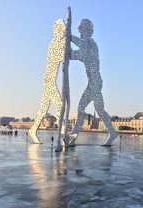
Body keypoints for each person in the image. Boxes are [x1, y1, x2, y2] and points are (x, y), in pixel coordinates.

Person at [69, 19, 118, 146]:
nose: (80, 32)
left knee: (80, 108)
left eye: (83, 30)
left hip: (94, 83)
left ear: (88, 31)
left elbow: (76, 54)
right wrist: (68, 40)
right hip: (96, 81)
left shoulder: (90, 45)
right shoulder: (89, 44)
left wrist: (68, 38)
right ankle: (112, 132)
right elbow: (76, 51)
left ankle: (73, 137)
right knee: (100, 110)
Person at [29, 19, 66, 148]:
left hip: (49, 79)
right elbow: (61, 57)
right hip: (49, 80)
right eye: (61, 30)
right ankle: (62, 133)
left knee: (44, 109)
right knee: (60, 105)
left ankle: (33, 130)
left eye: (64, 30)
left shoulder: (59, 43)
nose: (63, 32)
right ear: (57, 30)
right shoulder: (54, 43)